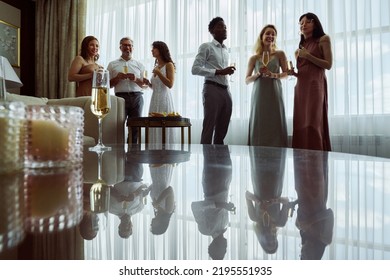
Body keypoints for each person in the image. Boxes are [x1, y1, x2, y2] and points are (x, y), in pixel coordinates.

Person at [289, 13, 333, 151]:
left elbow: (328, 64)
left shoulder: (323, 39)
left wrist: (308, 55)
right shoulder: (299, 48)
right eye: (301, 23)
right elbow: (303, 72)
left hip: (315, 86)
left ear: (315, 23)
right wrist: (293, 73)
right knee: (300, 124)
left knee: (313, 123)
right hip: (300, 89)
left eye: (307, 22)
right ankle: (301, 164)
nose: (303, 25)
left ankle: (316, 163)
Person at [191, 17, 235, 145]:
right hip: (212, 88)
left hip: (226, 90)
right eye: (220, 26)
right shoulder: (206, 47)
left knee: (223, 128)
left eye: (225, 26)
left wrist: (227, 72)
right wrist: (219, 71)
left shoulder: (226, 50)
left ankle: (219, 161)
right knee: (209, 127)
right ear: (212, 30)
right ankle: (206, 162)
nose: (224, 29)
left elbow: (224, 70)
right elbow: (195, 69)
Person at [245, 24, 288, 147]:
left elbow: (286, 74)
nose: (271, 36)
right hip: (259, 94)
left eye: (273, 34)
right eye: (268, 33)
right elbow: (247, 80)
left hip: (274, 93)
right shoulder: (254, 58)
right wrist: (258, 74)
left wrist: (273, 75)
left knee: (275, 121)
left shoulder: (280, 54)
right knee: (260, 123)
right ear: (261, 36)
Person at [107, 37, 147, 144]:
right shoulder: (112, 64)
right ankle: (118, 154)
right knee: (118, 127)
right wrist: (117, 78)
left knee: (135, 128)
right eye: (124, 45)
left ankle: (133, 155)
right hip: (120, 98)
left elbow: (145, 85)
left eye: (129, 45)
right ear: (120, 47)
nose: (127, 47)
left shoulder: (140, 65)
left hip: (137, 98)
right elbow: (107, 86)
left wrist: (136, 79)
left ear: (133, 48)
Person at [144, 41, 177, 145]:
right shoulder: (157, 66)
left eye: (154, 48)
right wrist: (148, 83)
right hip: (154, 100)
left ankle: (166, 155)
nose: (152, 50)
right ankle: (155, 155)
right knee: (154, 125)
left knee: (163, 125)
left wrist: (158, 73)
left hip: (164, 99)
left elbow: (170, 84)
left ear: (161, 50)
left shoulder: (169, 65)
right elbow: (155, 87)